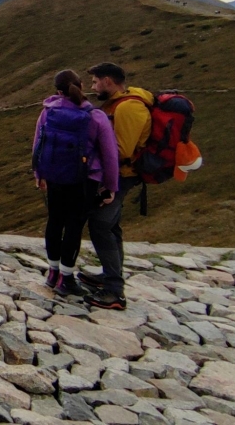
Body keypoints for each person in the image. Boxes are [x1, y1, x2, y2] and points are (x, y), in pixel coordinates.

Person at [33, 70, 119, 297]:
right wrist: (111, 186)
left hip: (54, 176)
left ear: (57, 90)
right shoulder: (95, 116)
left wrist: (38, 173)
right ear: (80, 85)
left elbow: (39, 143)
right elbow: (110, 154)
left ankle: (52, 273)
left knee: (55, 221)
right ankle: (67, 278)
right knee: (74, 226)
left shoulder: (48, 112)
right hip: (85, 179)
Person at [79, 62, 154, 310]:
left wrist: (91, 158)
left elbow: (121, 150)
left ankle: (114, 291)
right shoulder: (118, 104)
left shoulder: (129, 107)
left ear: (108, 81)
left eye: (95, 82)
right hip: (118, 174)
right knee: (111, 225)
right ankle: (110, 275)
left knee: (100, 225)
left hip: (122, 175)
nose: (93, 87)